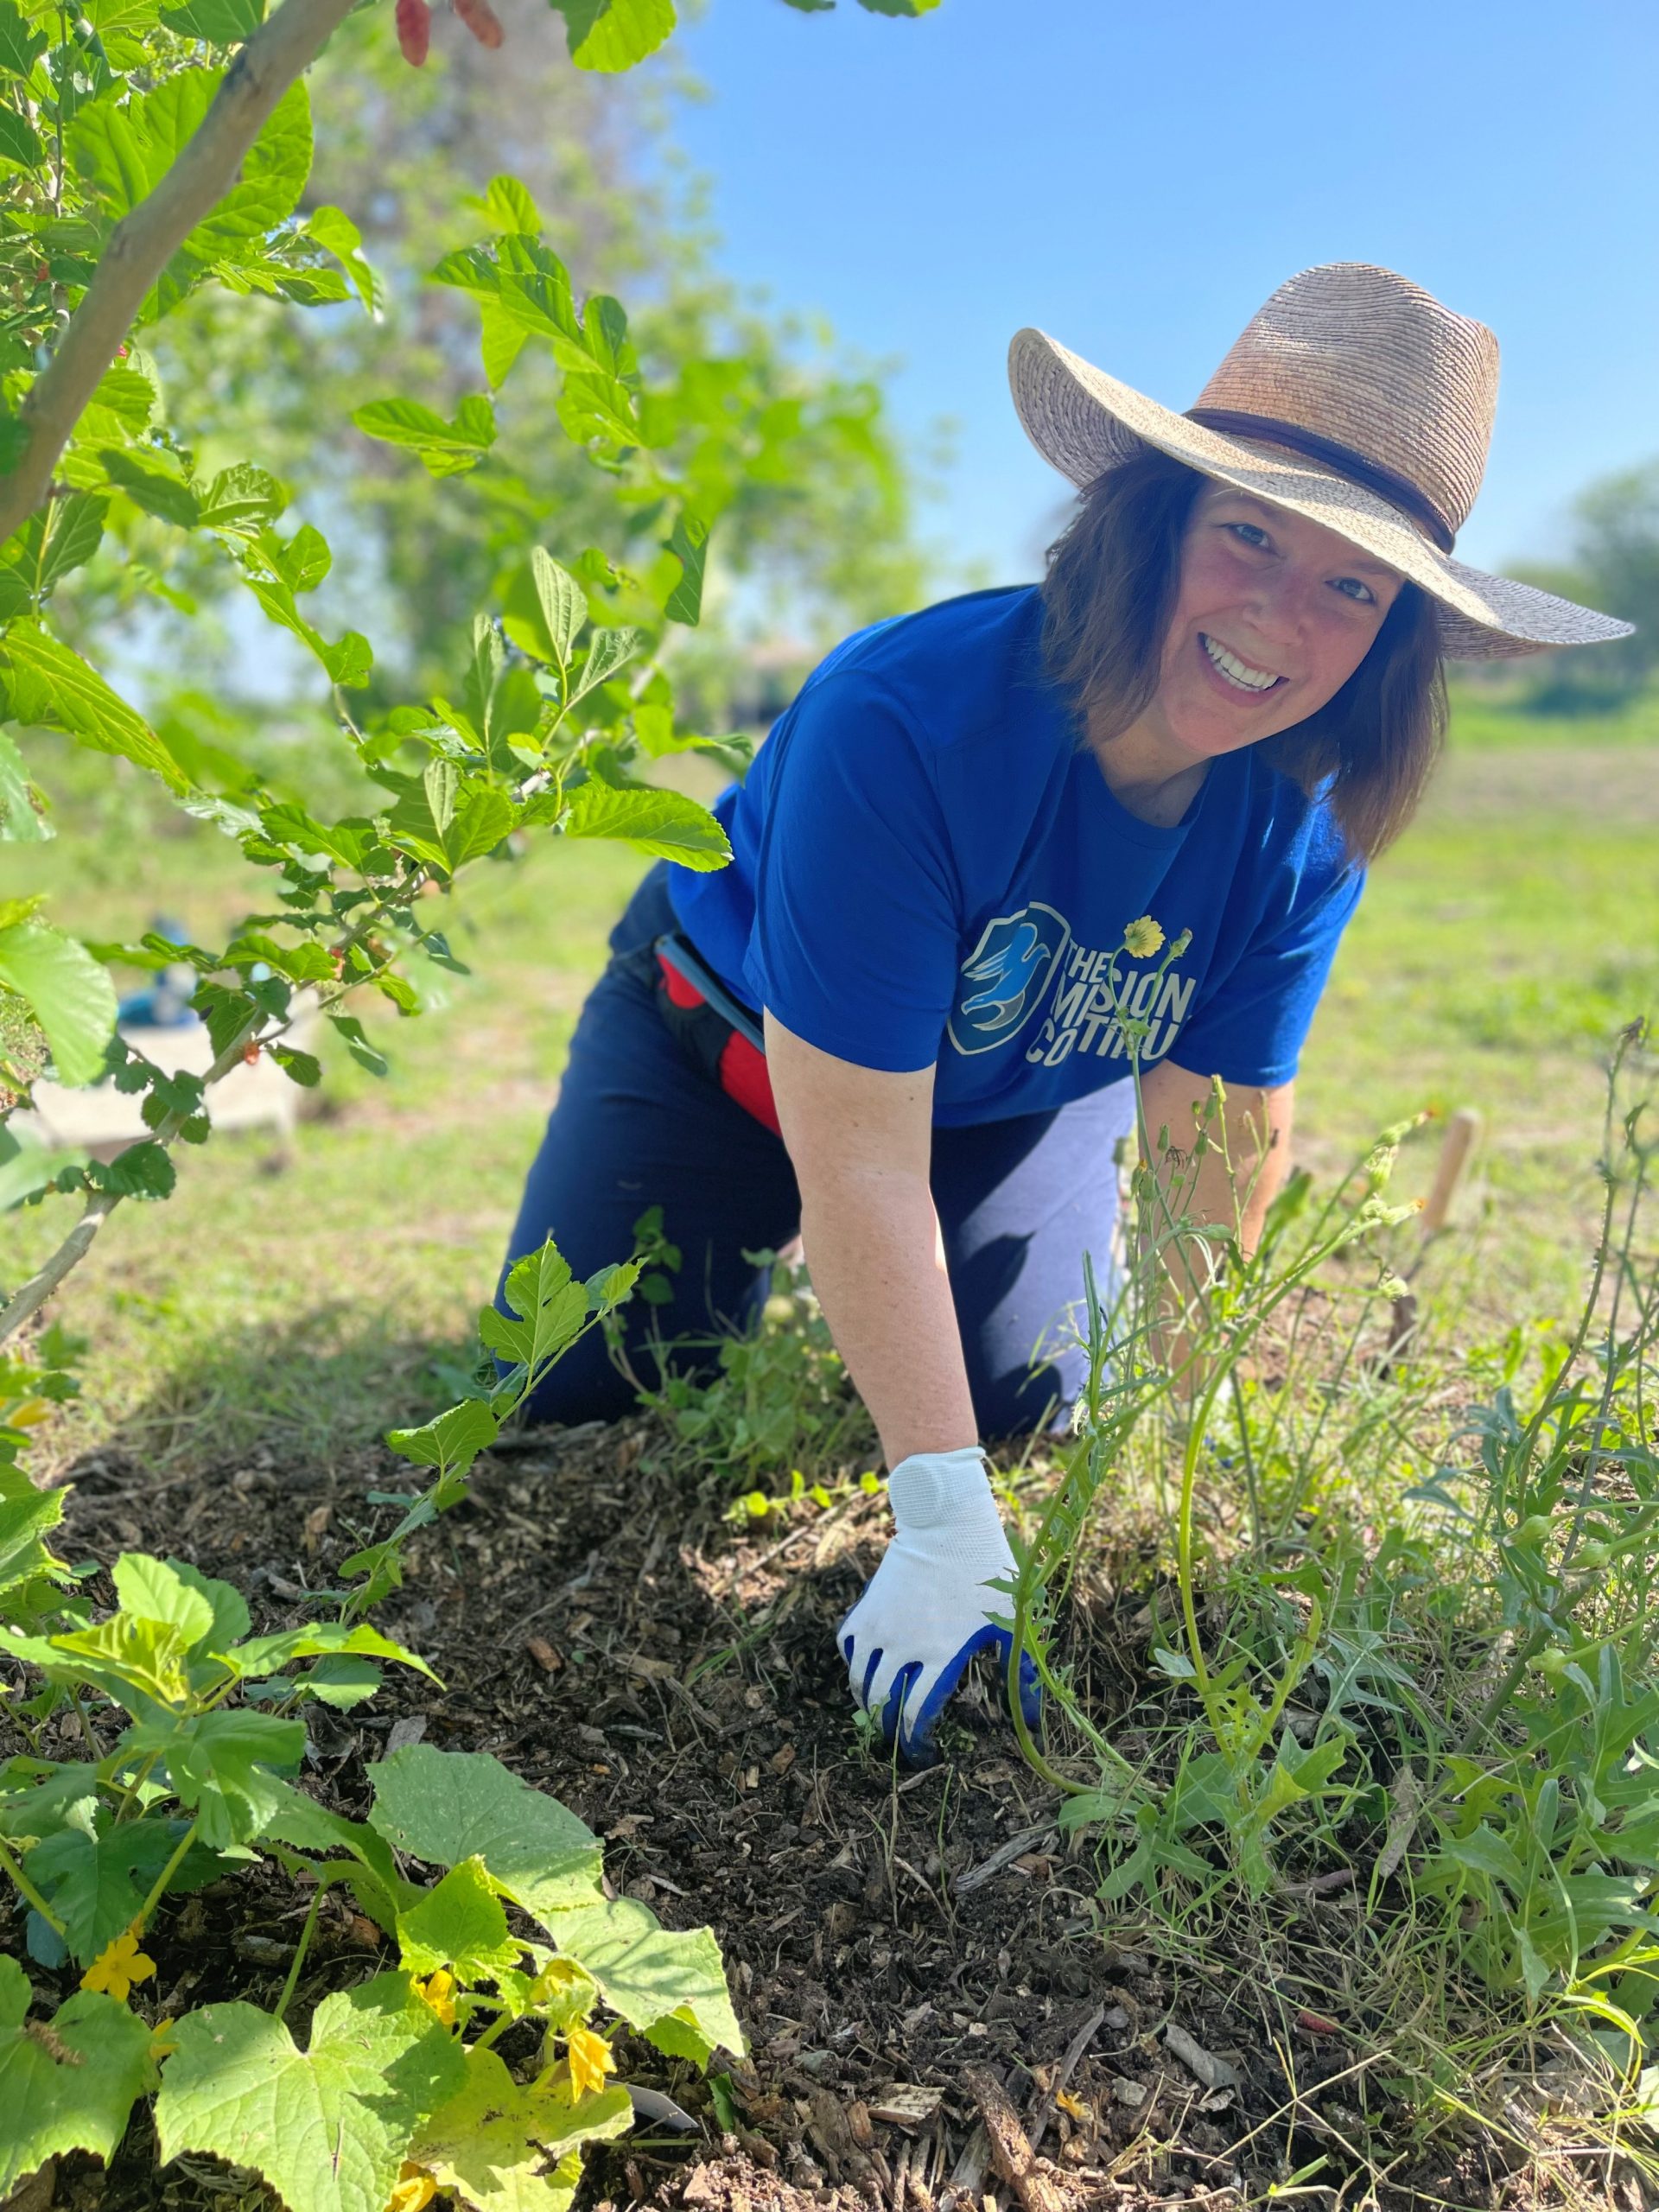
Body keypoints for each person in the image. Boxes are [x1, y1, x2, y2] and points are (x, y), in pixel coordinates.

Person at [498, 263, 1630, 1758]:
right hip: (717, 1058)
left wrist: (1178, 1456)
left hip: (1003, 1095)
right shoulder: (904, 720)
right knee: (586, 1400)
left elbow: (1214, 1150)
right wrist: (939, 1508)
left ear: (1397, 637)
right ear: (1154, 520)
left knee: (1037, 1398)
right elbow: (856, 1160)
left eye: (1352, 586)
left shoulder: (1302, 829)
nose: (1281, 617)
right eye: (1248, 535)